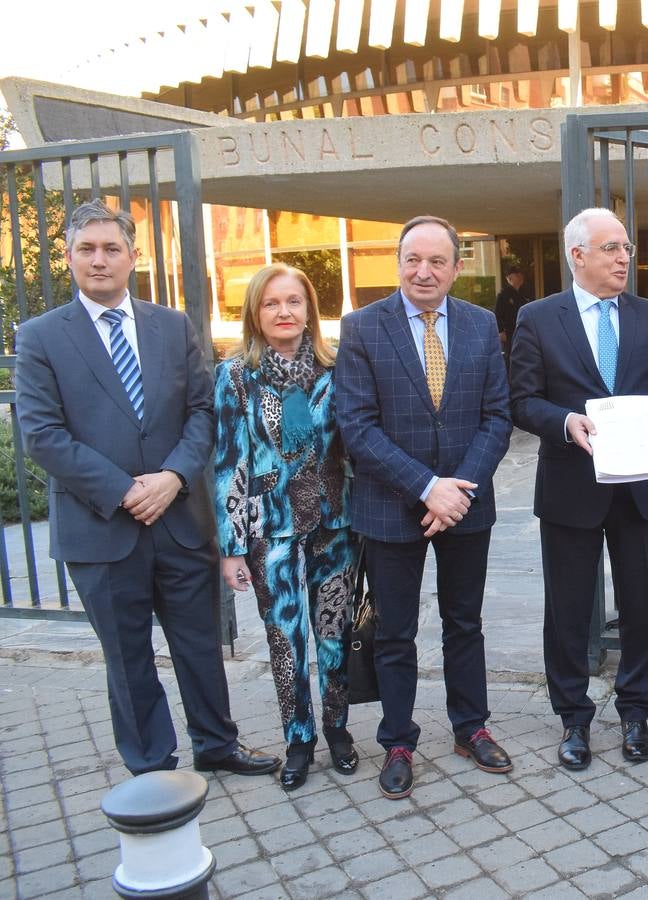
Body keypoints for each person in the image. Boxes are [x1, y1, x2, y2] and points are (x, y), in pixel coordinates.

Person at [15, 200, 279, 777]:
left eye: (112, 248)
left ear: (133, 256)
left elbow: (203, 411)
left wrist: (173, 477)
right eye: (87, 249)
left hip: (180, 521)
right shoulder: (41, 338)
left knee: (200, 646)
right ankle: (152, 764)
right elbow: (42, 435)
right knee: (128, 655)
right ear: (68, 255)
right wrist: (125, 490)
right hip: (102, 527)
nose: (100, 260)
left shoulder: (172, 326)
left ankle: (217, 745)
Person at [333, 215, 512, 800]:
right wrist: (425, 487)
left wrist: (456, 489)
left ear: (458, 268)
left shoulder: (483, 326)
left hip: (463, 507)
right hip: (390, 507)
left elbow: (496, 417)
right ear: (398, 262)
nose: (424, 271)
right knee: (395, 633)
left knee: (466, 623)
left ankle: (470, 727)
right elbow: (357, 427)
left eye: (437, 261)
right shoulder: (362, 326)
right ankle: (398, 741)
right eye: (413, 259)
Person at [510, 208, 648, 770]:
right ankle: (573, 719)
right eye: (610, 248)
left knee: (641, 606)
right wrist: (565, 423)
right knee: (567, 611)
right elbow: (522, 400)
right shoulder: (538, 318)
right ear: (578, 255)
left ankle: (636, 713)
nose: (623, 259)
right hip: (571, 486)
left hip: (639, 487)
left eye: (626, 249)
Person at [214, 264, 358, 791]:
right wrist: (230, 546)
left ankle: (338, 728)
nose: (284, 312)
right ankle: (298, 738)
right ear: (255, 311)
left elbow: (355, 442)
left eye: (294, 301)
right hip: (268, 527)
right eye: (272, 303)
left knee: (333, 631)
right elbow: (229, 461)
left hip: (335, 521)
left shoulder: (337, 368)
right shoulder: (235, 377)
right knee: (285, 637)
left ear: (309, 311)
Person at [495, 264, 531, 371]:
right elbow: (498, 314)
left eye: (521, 275)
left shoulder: (522, 294)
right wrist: (501, 331)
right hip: (509, 332)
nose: (520, 277)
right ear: (510, 278)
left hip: (522, 330)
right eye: (517, 275)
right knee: (510, 355)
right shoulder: (504, 295)